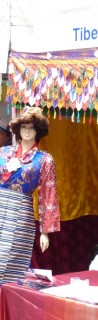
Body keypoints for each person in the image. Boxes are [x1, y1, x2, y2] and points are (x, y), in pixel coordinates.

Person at [0, 106, 60, 285]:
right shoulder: (3, 153)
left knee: (8, 263)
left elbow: (48, 193)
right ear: (18, 129)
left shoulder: (44, 159)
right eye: (24, 126)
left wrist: (45, 231)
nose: (27, 130)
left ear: (38, 130)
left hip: (20, 213)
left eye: (32, 127)